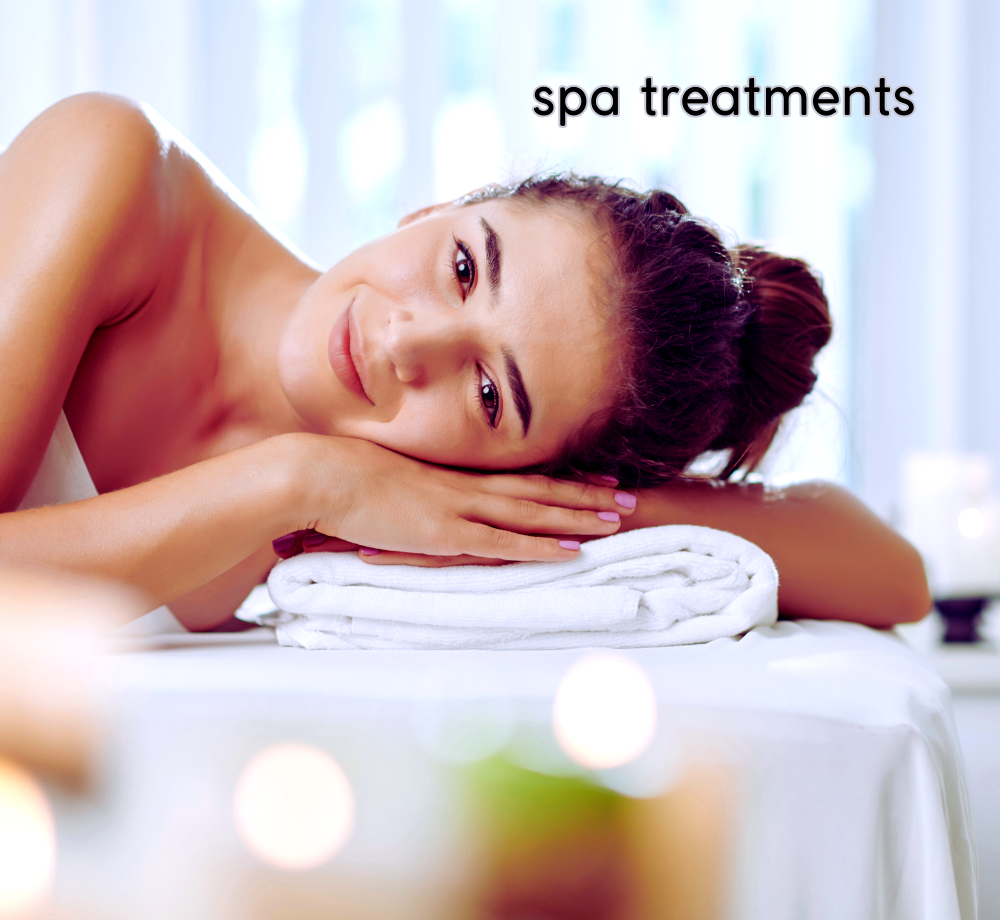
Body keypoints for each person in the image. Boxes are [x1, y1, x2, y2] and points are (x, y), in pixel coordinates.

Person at [0, 94, 930, 631]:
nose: (407, 343)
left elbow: (889, 573)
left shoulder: (395, 503)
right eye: (461, 265)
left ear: (525, 464)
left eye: (491, 393)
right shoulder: (117, 172)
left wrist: (557, 510)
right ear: (434, 208)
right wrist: (297, 477)